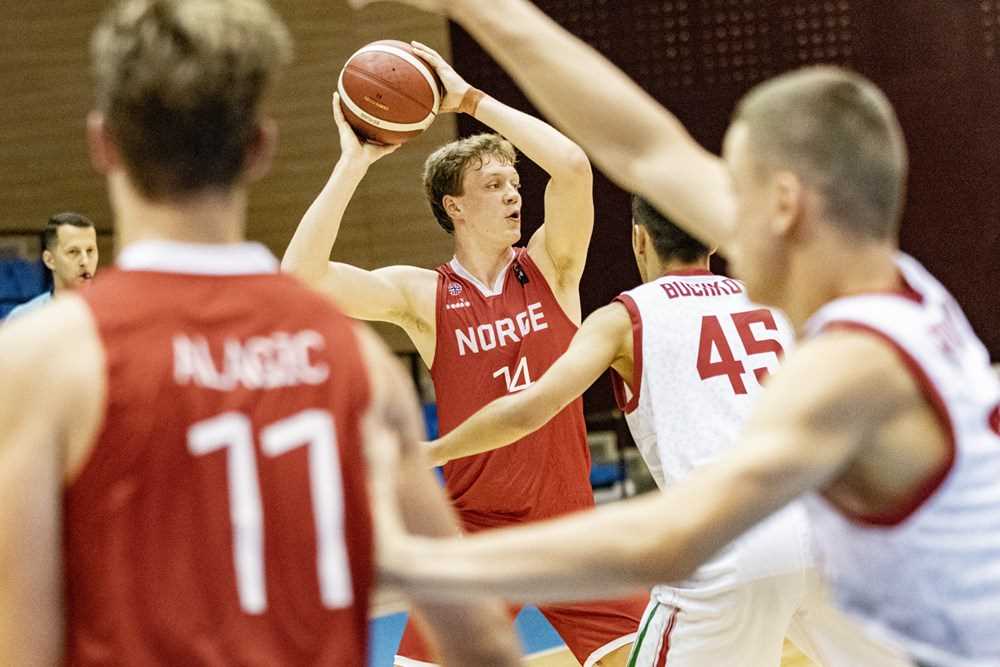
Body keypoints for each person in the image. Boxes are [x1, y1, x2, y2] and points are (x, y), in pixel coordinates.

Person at [352, 2, 1000, 666]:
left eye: (732, 190)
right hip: (835, 567)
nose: (717, 214)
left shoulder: (862, 360)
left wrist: (427, 566)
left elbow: (674, 535)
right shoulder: (894, 287)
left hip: (783, 567)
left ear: (784, 205)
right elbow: (646, 149)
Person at [0, 1, 521, 665]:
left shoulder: (47, 359)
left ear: (103, 144)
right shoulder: (354, 361)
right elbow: (480, 639)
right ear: (260, 148)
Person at [425, 195, 913, 667]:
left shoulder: (623, 317)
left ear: (639, 239)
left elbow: (528, 409)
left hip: (726, 543)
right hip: (824, 529)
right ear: (713, 243)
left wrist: (436, 450)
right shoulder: (772, 299)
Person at [282, 40, 645, 667]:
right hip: (477, 533)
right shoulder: (423, 296)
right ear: (455, 207)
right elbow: (300, 278)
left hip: (571, 527)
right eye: (493, 184)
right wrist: (354, 160)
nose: (513, 194)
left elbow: (574, 169)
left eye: (513, 182)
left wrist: (468, 98)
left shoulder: (554, 269)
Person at [5, 212, 98, 320]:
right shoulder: (23, 318)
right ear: (49, 260)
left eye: (90, 250)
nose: (85, 261)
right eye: (73, 252)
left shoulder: (116, 313)